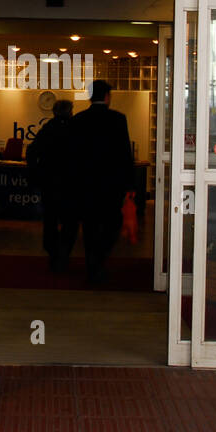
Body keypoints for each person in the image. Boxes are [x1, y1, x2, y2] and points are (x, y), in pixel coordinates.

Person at [71, 79, 134, 285]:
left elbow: (74, 154)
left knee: (89, 226)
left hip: (86, 184)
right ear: (107, 97)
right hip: (111, 184)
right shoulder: (118, 119)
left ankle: (92, 265)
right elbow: (125, 153)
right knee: (112, 224)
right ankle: (99, 260)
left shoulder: (79, 119)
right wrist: (129, 183)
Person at [26, 99, 79, 271]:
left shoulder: (48, 129)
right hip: (70, 183)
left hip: (50, 182)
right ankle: (64, 253)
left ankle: (53, 252)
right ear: (69, 111)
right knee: (70, 221)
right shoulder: (75, 129)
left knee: (50, 220)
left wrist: (37, 172)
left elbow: (32, 151)